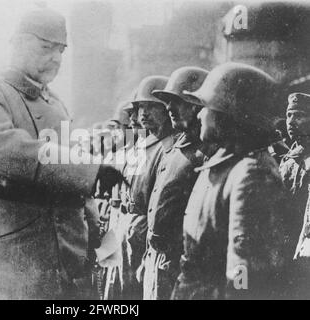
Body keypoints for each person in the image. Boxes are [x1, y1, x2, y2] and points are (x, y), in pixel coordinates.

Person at [0, 8, 122, 300]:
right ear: (17, 43)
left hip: (61, 250)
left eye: (61, 50)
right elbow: (3, 149)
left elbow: (74, 179)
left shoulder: (56, 103)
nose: (55, 58)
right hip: (5, 250)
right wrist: (89, 171)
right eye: (46, 48)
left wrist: (95, 231)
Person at [172, 62, 292, 300]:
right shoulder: (221, 164)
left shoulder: (251, 173)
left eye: (206, 106)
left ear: (228, 114)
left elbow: (244, 267)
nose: (199, 114)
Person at [136, 66, 208, 300]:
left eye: (177, 102)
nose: (169, 108)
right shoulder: (171, 150)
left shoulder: (205, 153)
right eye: (167, 102)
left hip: (180, 267)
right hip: (158, 262)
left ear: (197, 106)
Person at [104, 75, 176, 300]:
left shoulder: (166, 147)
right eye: (140, 107)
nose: (141, 115)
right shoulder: (142, 146)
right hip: (130, 228)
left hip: (145, 233)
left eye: (151, 107)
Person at [280, 93, 310, 298]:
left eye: (298, 116)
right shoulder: (289, 159)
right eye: (289, 115)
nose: (291, 121)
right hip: (284, 245)